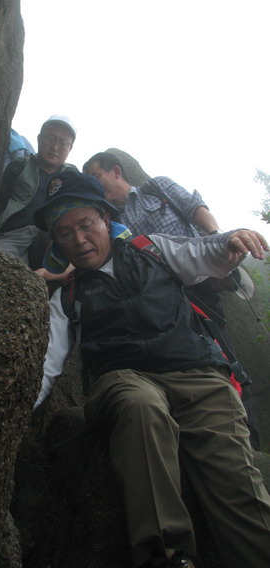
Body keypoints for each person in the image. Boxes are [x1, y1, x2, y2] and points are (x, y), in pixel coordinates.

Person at [32, 171, 270, 568]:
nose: (79, 239)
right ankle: (166, 556)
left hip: (198, 376)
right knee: (140, 405)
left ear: (106, 219)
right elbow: (46, 366)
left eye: (86, 224)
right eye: (64, 232)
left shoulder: (152, 249)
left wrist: (232, 239)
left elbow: (205, 253)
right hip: (124, 381)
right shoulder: (68, 297)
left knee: (235, 477)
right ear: (56, 242)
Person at [82, 150, 260, 450]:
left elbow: (194, 208)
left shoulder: (157, 188)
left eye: (96, 177)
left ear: (116, 171)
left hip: (198, 284)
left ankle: (249, 442)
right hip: (159, 299)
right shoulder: (110, 221)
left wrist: (219, 239)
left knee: (222, 357)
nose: (95, 185)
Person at [0, 115, 79, 265]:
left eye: (62, 143)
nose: (55, 147)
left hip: (52, 239)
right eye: (50, 139)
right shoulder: (19, 166)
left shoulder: (73, 177)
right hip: (12, 235)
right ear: (39, 139)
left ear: (70, 148)